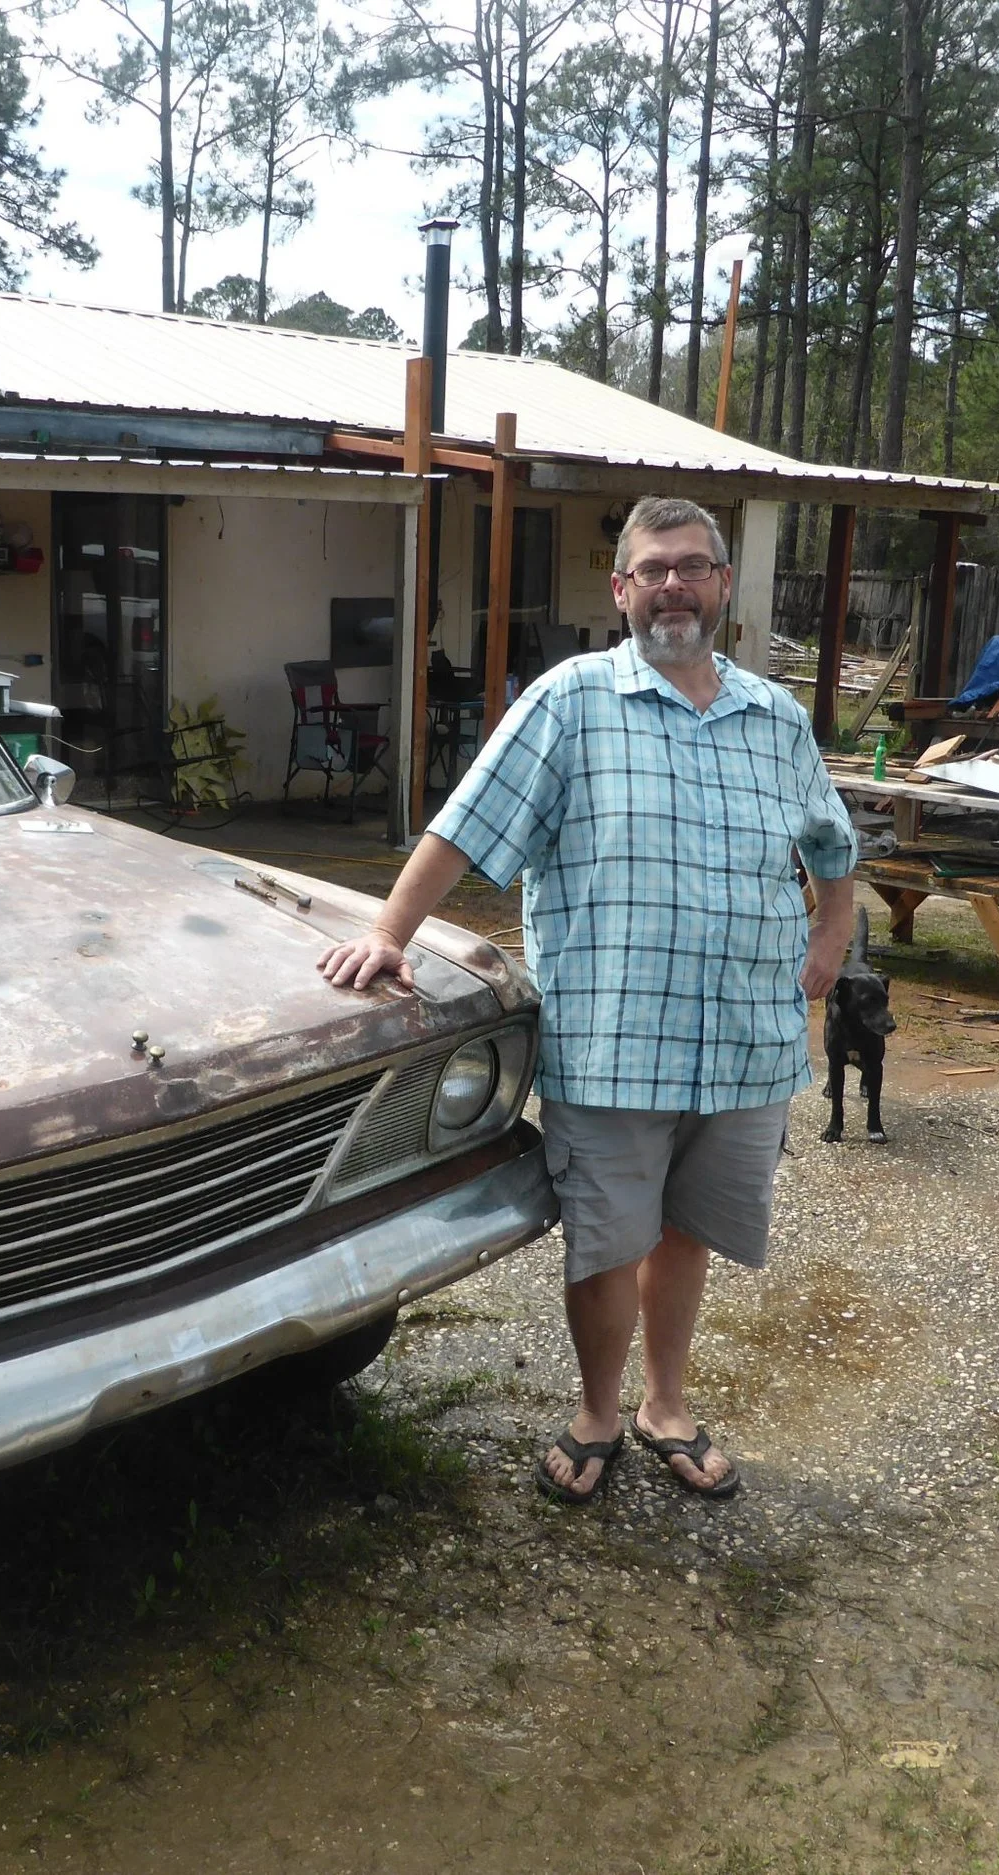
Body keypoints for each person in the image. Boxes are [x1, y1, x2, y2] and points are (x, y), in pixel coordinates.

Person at [318, 495, 857, 1504]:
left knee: (686, 1229)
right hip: (614, 1042)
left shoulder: (774, 717)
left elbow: (830, 843)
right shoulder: (571, 703)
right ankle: (598, 1413)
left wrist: (831, 932)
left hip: (744, 1040)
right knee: (608, 1238)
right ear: (619, 590)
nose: (672, 586)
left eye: (692, 566)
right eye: (651, 570)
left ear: (723, 586)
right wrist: (387, 934)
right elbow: (465, 826)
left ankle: (666, 1405)